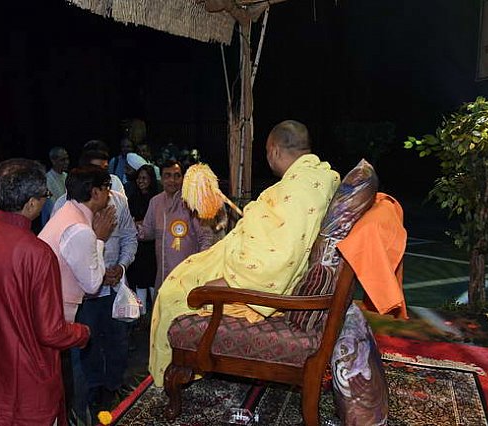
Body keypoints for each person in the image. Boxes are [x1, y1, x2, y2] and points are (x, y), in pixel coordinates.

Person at [148, 120, 340, 386]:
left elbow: (279, 257)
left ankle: (176, 374)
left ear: (273, 150)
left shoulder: (300, 188)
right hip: (240, 253)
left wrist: (229, 282)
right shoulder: (316, 176)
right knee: (186, 272)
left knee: (173, 295)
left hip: (251, 276)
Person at [0, 158, 90, 426]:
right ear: (31, 203)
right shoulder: (38, 253)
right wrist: (82, 333)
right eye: (45, 195)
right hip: (28, 385)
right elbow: (50, 331)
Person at [38, 165, 117, 420]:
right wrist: (100, 239)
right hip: (56, 316)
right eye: (107, 188)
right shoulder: (80, 229)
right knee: (68, 379)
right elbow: (92, 284)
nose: (110, 194)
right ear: (95, 192)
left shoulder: (66, 212)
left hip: (46, 309)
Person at [138, 160, 213, 291]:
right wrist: (130, 228)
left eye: (177, 176)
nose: (172, 180)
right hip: (163, 273)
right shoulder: (155, 202)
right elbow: (147, 232)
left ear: (183, 178)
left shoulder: (191, 202)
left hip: (188, 274)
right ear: (161, 179)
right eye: (167, 175)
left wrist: (201, 263)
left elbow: (205, 237)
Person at [125, 164, 159, 315]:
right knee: (140, 279)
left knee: (152, 278)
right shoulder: (133, 198)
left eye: (144, 178)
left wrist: (141, 224)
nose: (141, 181)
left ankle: (154, 313)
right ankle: (141, 313)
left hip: (153, 245)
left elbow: (156, 222)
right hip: (138, 245)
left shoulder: (157, 199)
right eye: (139, 178)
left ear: (151, 180)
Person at [41, 146, 70, 225]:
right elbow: (51, 206)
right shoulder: (46, 180)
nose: (67, 162)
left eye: (67, 159)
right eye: (62, 160)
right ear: (53, 161)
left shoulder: (67, 177)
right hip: (52, 222)